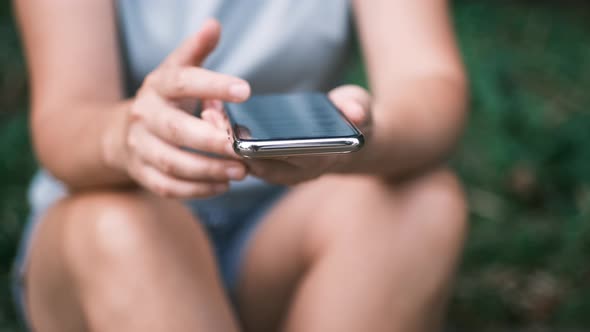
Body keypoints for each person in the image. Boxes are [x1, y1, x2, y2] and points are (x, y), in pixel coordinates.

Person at [12, 0, 468, 331]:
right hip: (115, 232)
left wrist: (358, 137)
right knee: (119, 225)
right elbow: (62, 122)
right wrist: (127, 136)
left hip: (283, 230)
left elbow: (429, 82)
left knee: (423, 202)